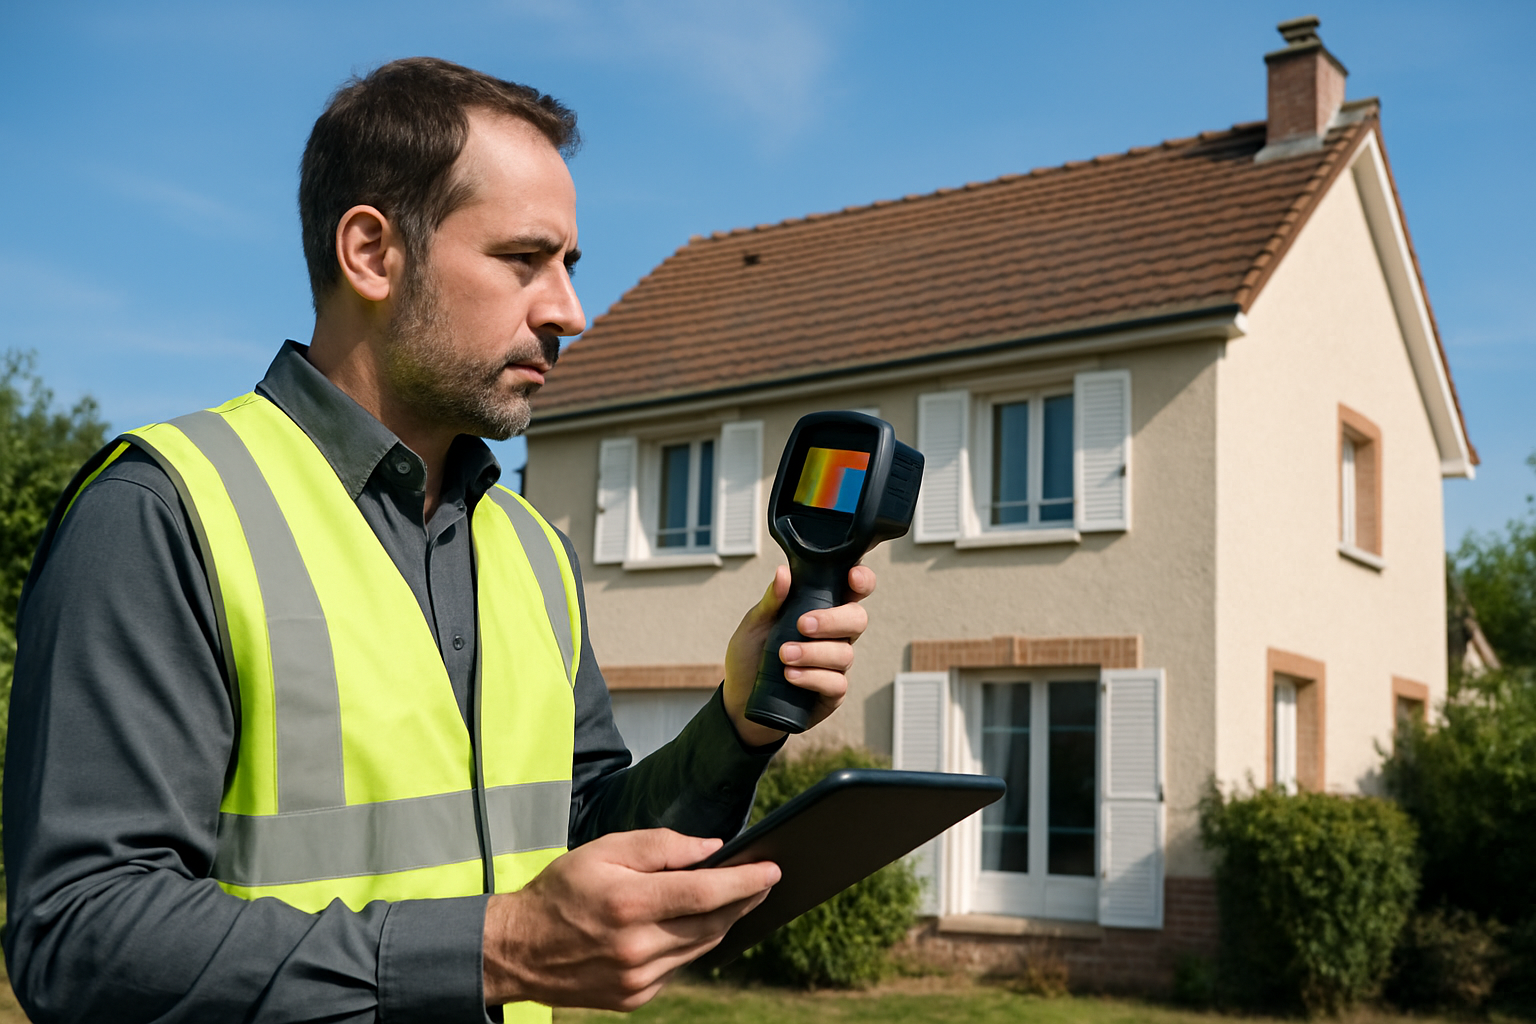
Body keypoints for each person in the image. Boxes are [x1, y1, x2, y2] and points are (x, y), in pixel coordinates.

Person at [3, 57, 875, 1023]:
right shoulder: (163, 512)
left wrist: (737, 724)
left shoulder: (533, 550)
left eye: (569, 267)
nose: (568, 313)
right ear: (372, 252)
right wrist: (495, 948)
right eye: (522, 259)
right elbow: (80, 932)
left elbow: (579, 839)